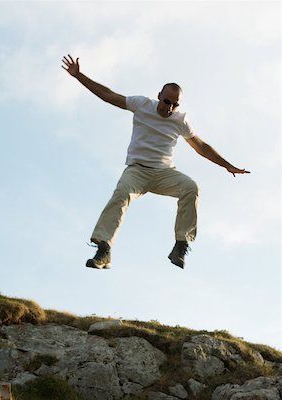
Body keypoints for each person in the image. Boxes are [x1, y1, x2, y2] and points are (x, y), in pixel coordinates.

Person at [62, 54, 250, 270]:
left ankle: (181, 244)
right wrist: (79, 76)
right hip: (137, 171)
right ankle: (104, 249)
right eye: (166, 102)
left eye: (174, 105)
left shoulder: (180, 121)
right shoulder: (141, 104)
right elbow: (107, 95)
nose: (169, 108)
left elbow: (201, 146)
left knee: (191, 187)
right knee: (121, 194)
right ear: (159, 95)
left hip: (164, 173)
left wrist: (227, 165)